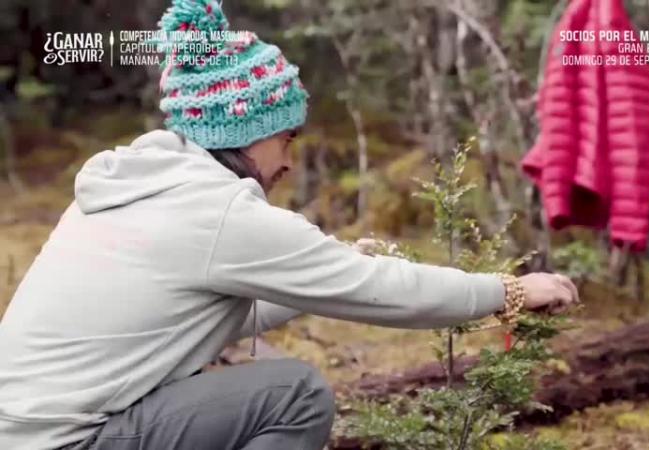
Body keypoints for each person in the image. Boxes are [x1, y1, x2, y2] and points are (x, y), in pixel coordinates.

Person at [0, 1, 579, 449]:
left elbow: (197, 314)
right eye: (287, 138)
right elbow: (377, 292)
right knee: (293, 394)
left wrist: (323, 273)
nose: (288, 162)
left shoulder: (141, 185)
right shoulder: (219, 212)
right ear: (247, 130)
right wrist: (509, 290)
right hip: (68, 440)